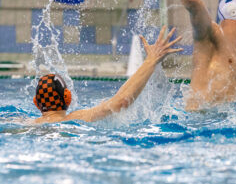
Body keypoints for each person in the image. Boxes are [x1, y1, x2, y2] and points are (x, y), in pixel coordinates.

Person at [31, 26, 182, 124]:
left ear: (36, 103)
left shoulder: (24, 123)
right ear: (67, 97)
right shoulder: (75, 119)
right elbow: (122, 101)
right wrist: (151, 61)